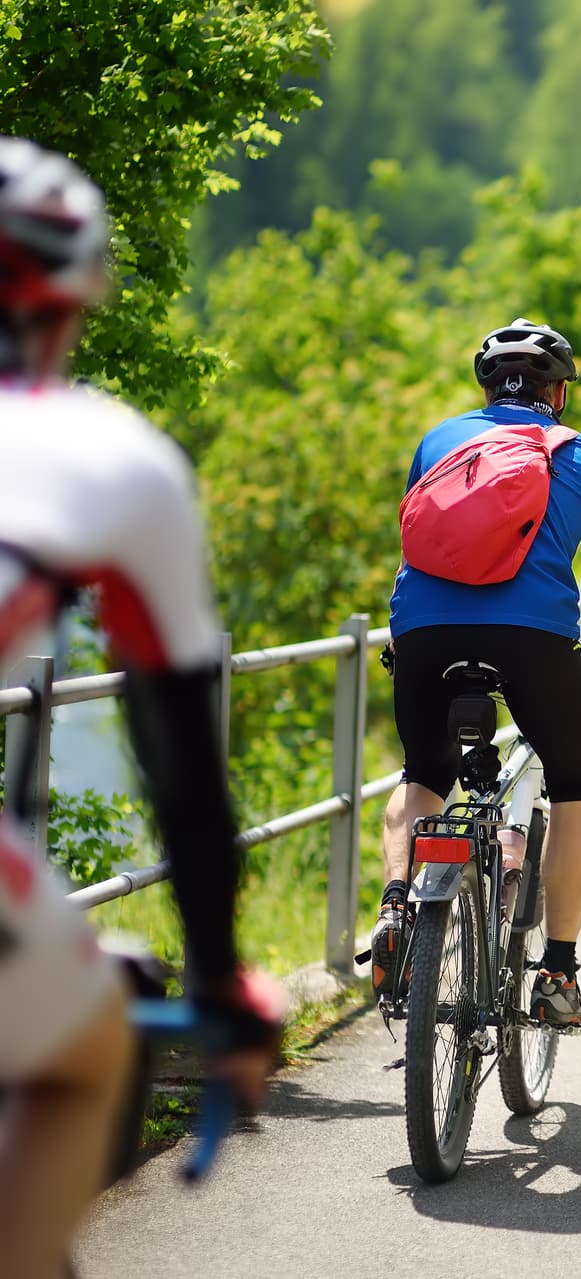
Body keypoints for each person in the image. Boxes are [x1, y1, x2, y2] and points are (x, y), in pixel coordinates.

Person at [0, 137, 280, 1279]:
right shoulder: (107, 453)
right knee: (88, 1060)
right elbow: (181, 764)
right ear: (73, 296)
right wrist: (221, 980)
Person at [375, 318, 581, 1030]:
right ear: (561, 392)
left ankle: (396, 905)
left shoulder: (439, 442)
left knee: (421, 776)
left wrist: (410, 640)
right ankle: (558, 972)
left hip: (425, 634)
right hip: (534, 642)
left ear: (486, 386)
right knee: (574, 781)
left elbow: (419, 547)